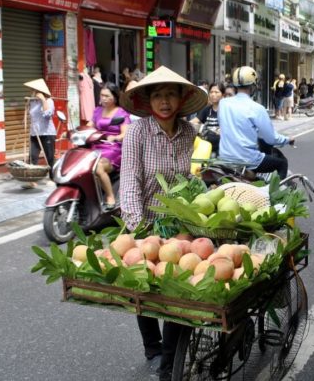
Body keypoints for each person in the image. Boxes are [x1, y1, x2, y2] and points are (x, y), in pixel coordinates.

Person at [119, 65, 208, 381]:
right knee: (142, 286)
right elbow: (130, 179)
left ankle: (171, 361)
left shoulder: (189, 132)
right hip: (144, 220)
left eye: (171, 93)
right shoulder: (138, 132)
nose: (165, 101)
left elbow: (188, 178)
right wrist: (137, 227)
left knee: (178, 290)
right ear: (148, 100)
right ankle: (152, 347)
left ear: (182, 98)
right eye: (158, 94)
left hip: (179, 222)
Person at [218, 66, 294, 179]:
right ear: (253, 86)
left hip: (224, 159)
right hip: (248, 161)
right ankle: (275, 194)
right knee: (282, 163)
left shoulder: (223, 104)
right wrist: (287, 140)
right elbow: (271, 138)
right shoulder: (257, 108)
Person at [86, 82, 131, 209]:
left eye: (107, 96)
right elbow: (89, 126)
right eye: (102, 95)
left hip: (114, 148)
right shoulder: (97, 110)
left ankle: (110, 196)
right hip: (96, 146)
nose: (103, 98)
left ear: (115, 97)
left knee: (98, 167)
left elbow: (124, 134)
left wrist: (115, 137)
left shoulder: (121, 113)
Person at [23, 78, 56, 189]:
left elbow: (47, 115)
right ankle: (32, 180)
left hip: (47, 132)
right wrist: (27, 104)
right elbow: (30, 116)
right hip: (34, 133)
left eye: (35, 90)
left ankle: (52, 178)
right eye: (32, 90)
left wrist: (43, 100)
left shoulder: (49, 101)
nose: (33, 92)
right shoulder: (32, 102)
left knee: (49, 157)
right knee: (32, 156)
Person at [190, 82, 225, 154]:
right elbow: (194, 121)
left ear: (223, 95)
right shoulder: (207, 109)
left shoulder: (226, 110)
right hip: (207, 148)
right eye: (211, 92)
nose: (213, 94)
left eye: (216, 92)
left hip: (222, 148)